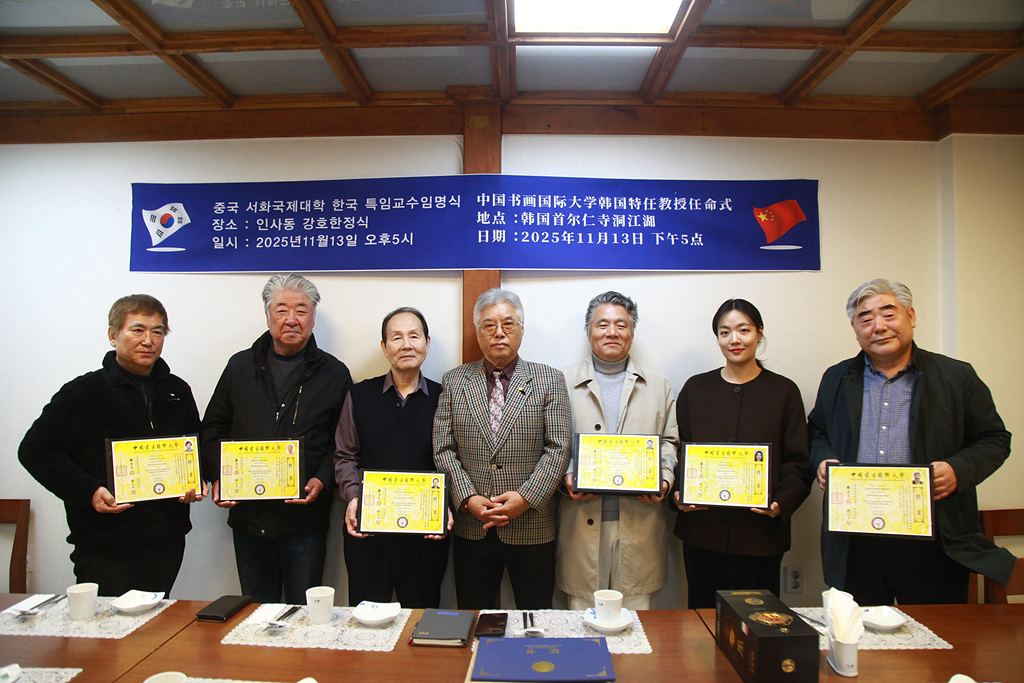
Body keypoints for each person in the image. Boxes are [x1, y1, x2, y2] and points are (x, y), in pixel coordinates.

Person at [809, 278, 1014, 605]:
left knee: (935, 633)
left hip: (933, 541)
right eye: (865, 318)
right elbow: (817, 432)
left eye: (888, 314)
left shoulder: (956, 376)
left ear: (911, 316)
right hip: (856, 539)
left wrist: (957, 470)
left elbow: (995, 439)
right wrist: (823, 459)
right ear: (855, 328)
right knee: (860, 631)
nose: (878, 326)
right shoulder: (836, 377)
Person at [19, 294, 203, 596]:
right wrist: (89, 491)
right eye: (138, 330)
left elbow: (193, 447)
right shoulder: (83, 392)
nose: (148, 341)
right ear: (113, 335)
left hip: (166, 541)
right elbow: (35, 450)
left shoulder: (177, 390)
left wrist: (195, 480)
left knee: (157, 619)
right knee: (106, 624)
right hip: (105, 543)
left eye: (157, 332)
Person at [201, 273, 352, 604]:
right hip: (248, 517)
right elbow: (212, 429)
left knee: (304, 612)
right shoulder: (239, 366)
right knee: (255, 613)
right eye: (282, 309)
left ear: (313, 317)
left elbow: (342, 443)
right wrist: (218, 477)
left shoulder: (335, 373)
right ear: (268, 315)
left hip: (305, 520)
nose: (292, 319)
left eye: (301, 310)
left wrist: (322, 479)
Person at [433, 288, 572, 609]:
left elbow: (558, 447)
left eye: (508, 324)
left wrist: (525, 498)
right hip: (473, 524)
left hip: (532, 524)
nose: (499, 332)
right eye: (489, 325)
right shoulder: (454, 381)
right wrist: (467, 498)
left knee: (536, 619)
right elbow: (443, 448)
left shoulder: (549, 379)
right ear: (477, 331)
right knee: (473, 616)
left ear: (521, 328)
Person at [673, 298, 813, 608]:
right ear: (718, 338)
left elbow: (798, 461)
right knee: (702, 620)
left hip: (760, 534)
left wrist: (781, 503)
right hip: (703, 531)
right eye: (725, 332)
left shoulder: (783, 391)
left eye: (744, 330)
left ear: (759, 333)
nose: (734, 339)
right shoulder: (696, 389)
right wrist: (678, 493)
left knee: (759, 621)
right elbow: (679, 450)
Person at [557, 291, 679, 610]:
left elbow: (670, 441)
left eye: (621, 325)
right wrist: (568, 476)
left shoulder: (658, 384)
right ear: (589, 331)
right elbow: (550, 443)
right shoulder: (560, 382)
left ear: (632, 332)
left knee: (636, 618)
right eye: (603, 324)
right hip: (580, 519)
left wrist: (664, 478)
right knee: (581, 616)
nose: (612, 332)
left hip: (640, 519)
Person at [334, 307, 451, 607]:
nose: (406, 345)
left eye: (414, 336)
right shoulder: (359, 395)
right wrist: (353, 498)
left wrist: (448, 503)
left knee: (422, 619)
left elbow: (454, 458)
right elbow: (345, 455)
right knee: (367, 618)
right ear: (384, 347)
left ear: (427, 343)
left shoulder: (445, 397)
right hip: (369, 532)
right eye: (396, 338)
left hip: (425, 533)